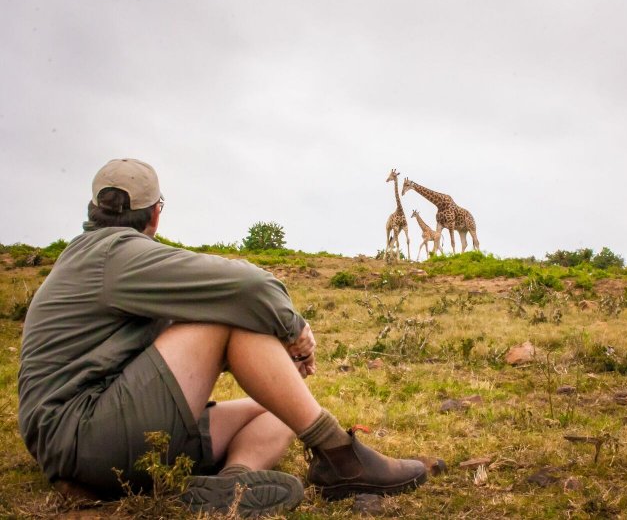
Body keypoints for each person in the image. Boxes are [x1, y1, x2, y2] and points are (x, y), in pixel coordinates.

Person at [18, 159, 426, 516]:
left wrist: (274, 364)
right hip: (82, 436)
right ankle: (341, 457)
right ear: (155, 215)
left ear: (93, 210)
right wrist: (295, 333)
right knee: (225, 315)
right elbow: (249, 286)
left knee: (283, 404)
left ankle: (233, 484)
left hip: (94, 433)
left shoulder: (102, 259)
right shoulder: (112, 256)